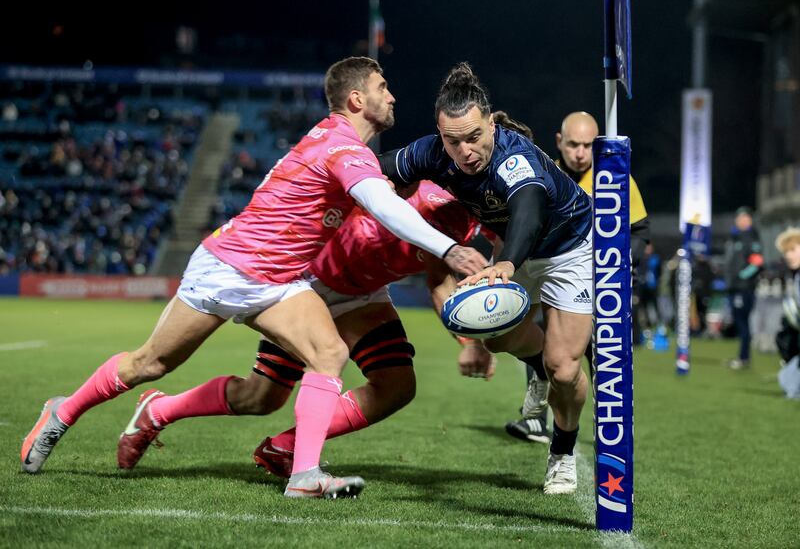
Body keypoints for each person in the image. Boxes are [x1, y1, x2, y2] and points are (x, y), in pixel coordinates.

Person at [19, 57, 487, 499]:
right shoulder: (342, 146)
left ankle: (303, 475)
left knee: (329, 352)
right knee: (149, 364)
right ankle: (61, 412)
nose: (394, 97)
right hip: (228, 268)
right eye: (383, 88)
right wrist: (448, 247)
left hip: (280, 282)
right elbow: (383, 207)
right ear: (357, 100)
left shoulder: (342, 145)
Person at [113, 180, 497, 473]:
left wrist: (470, 340)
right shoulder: (414, 181)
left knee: (397, 386)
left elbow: (439, 279)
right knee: (261, 398)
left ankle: (287, 447)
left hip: (363, 296)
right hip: (308, 284)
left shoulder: (465, 219)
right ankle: (160, 410)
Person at [378, 63, 593, 494]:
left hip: (567, 249)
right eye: (453, 141)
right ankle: (536, 367)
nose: (465, 151)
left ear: (491, 124)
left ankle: (562, 452)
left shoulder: (517, 160)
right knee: (495, 337)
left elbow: (529, 214)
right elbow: (373, 168)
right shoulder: (433, 152)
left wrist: (508, 263)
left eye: (474, 137)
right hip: (510, 251)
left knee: (565, 367)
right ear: (440, 135)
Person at [505, 111, 650, 443]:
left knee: (602, 359)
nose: (580, 152)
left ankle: (610, 428)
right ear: (559, 141)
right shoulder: (545, 174)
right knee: (546, 349)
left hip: (604, 286)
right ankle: (537, 420)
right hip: (558, 281)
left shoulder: (615, 178)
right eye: (573, 144)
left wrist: (622, 267)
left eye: (588, 145)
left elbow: (641, 230)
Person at [723, 206, 764, 369]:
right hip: (735, 288)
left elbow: (757, 263)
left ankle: (744, 358)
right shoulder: (735, 238)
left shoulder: (751, 238)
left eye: (745, 218)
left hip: (744, 288)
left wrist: (741, 277)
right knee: (740, 322)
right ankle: (742, 357)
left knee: (743, 323)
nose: (742, 221)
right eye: (740, 218)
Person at [775, 227, 800, 398]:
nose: (788, 255)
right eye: (786, 252)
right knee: (786, 379)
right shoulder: (794, 276)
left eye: (793, 250)